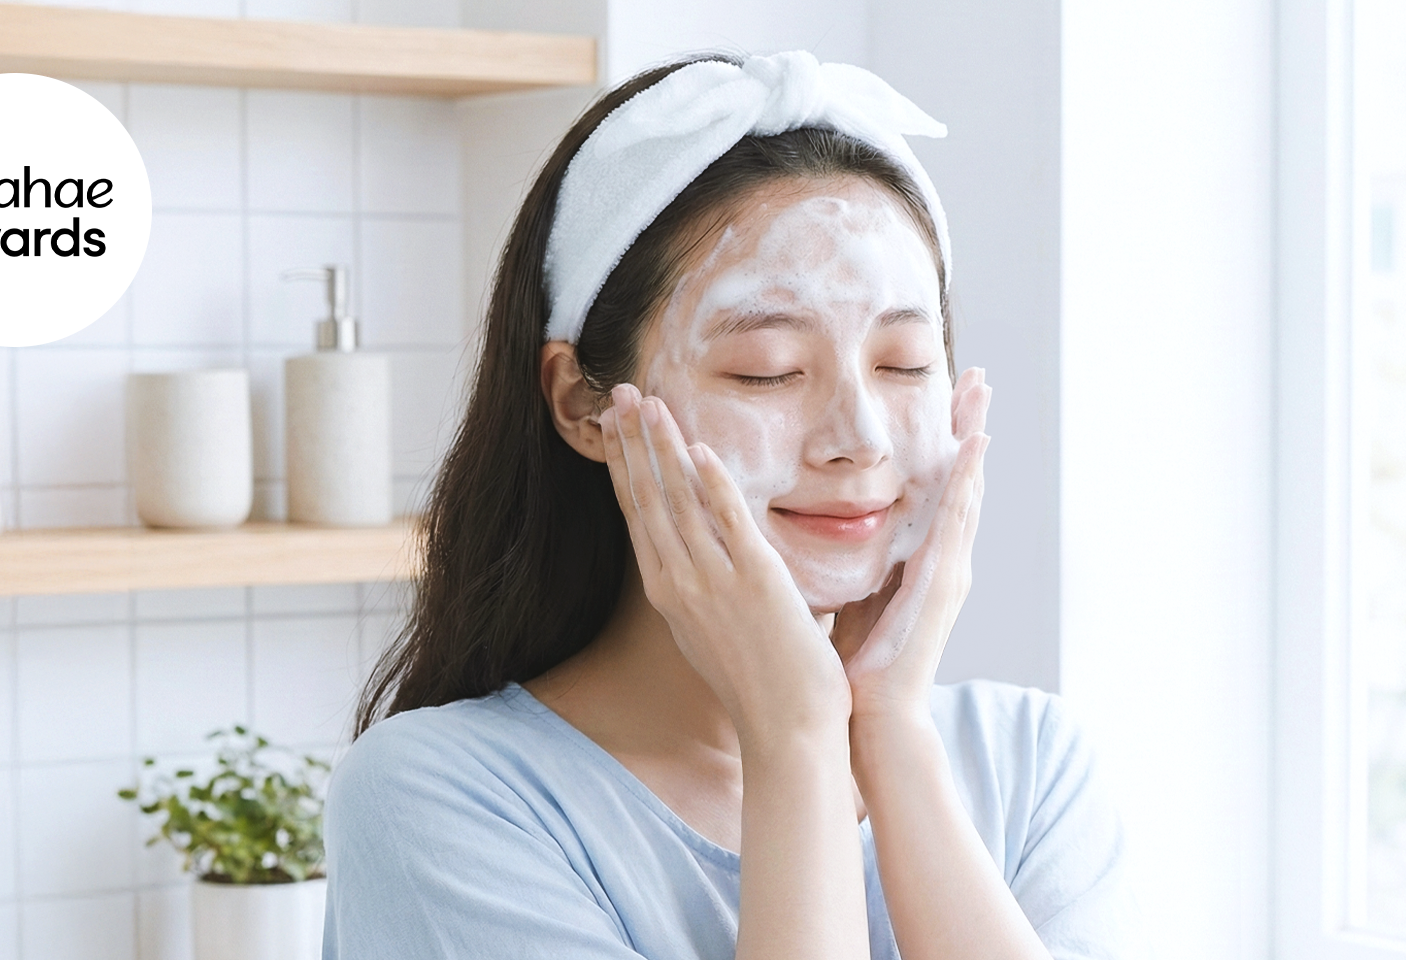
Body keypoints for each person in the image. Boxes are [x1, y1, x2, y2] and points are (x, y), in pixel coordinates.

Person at [323, 50, 1144, 960]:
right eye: (769, 370)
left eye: (904, 362)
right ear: (583, 404)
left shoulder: (1031, 766)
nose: (860, 436)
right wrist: (795, 735)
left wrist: (890, 737)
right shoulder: (440, 801)